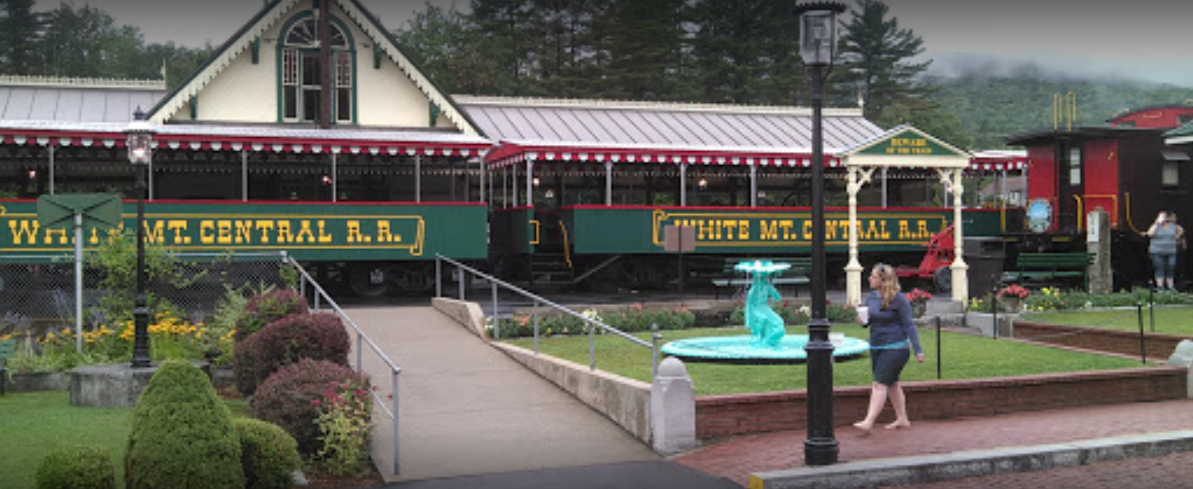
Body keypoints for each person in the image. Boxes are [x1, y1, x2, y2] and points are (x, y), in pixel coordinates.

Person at [853, 263, 925, 434]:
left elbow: (909, 325)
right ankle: (902, 418)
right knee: (892, 383)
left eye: (873, 276)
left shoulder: (899, 299)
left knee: (879, 384)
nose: (869, 279)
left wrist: (918, 350)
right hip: (877, 345)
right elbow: (870, 321)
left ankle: (868, 421)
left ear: (883, 280)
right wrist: (863, 322)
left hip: (896, 347)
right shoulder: (871, 298)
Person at [1145, 211, 1180, 290]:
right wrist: (1157, 223)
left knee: (1171, 266)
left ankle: (1171, 287)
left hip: (1171, 250)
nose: (1163, 218)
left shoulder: (1172, 226)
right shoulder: (1155, 226)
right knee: (1159, 268)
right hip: (1157, 251)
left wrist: (1176, 237)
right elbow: (1150, 234)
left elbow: (1181, 230)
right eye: (1161, 217)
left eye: (1164, 217)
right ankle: (1160, 287)